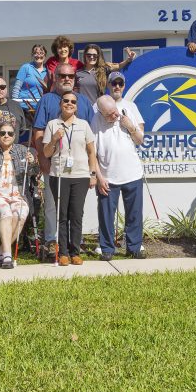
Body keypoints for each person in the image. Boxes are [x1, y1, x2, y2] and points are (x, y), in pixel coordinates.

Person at [32, 63, 96, 257]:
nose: (66, 79)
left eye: (70, 76)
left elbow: (91, 138)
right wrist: (43, 160)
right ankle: (52, 240)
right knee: (53, 206)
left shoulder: (83, 101)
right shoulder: (47, 100)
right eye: (62, 75)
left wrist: (93, 170)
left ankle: (75, 243)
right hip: (54, 166)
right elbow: (38, 131)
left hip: (79, 168)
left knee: (76, 209)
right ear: (55, 77)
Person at [43, 91, 99, 266]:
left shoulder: (83, 125)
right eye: (66, 101)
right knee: (62, 215)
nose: (69, 103)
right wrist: (54, 139)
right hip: (59, 175)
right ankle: (63, 253)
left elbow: (91, 152)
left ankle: (75, 251)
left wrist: (93, 174)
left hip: (80, 175)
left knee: (76, 214)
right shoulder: (52, 124)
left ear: (77, 106)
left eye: (73, 102)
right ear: (60, 104)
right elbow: (46, 153)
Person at [91, 95, 145, 261]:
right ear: (100, 113)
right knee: (106, 215)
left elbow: (140, 140)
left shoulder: (126, 112)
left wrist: (131, 126)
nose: (114, 116)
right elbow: (91, 152)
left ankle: (134, 248)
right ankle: (107, 249)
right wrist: (98, 177)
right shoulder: (96, 122)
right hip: (108, 177)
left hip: (133, 174)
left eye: (114, 112)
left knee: (134, 214)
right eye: (109, 115)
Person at [0, 119, 33, 268]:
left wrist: (32, 162)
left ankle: (1, 252)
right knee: (6, 212)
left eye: (10, 133)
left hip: (16, 195)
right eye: (2, 133)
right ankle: (7, 256)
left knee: (21, 214)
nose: (6, 136)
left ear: (14, 136)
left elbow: (32, 173)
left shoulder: (21, 150)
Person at [13, 44, 48, 112]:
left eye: (41, 53)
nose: (38, 55)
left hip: (41, 107)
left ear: (45, 55)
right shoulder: (26, 67)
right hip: (24, 107)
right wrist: (15, 104)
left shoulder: (47, 71)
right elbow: (17, 88)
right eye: (36, 53)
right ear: (32, 55)